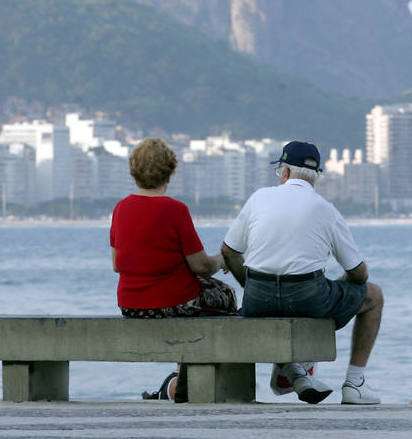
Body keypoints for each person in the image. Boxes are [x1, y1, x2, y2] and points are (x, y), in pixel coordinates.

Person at [221, 141, 384, 405]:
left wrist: (250, 286)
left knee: (275, 303)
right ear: (315, 177)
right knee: (373, 295)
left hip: (258, 300)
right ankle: (354, 384)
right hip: (308, 299)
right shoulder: (326, 210)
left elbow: (229, 252)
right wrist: (344, 282)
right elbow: (359, 273)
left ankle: (293, 369)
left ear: (285, 172)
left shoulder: (259, 198)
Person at [111, 138, 237, 401]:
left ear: (134, 172)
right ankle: (188, 376)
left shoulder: (121, 208)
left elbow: (116, 263)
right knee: (225, 295)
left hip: (131, 305)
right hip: (171, 302)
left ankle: (179, 380)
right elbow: (201, 266)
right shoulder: (175, 209)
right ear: (169, 173)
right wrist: (223, 260)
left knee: (201, 299)